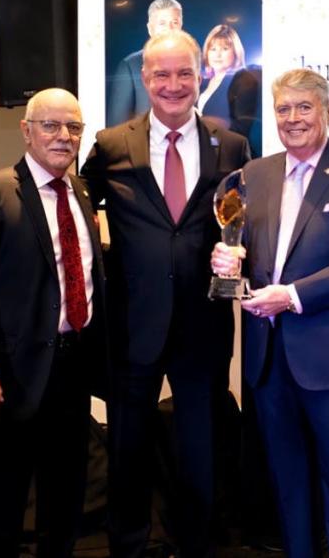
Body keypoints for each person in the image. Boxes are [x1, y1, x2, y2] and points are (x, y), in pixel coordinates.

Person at [211, 68, 329, 558]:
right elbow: (243, 247)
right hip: (269, 361)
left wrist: (291, 295)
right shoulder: (254, 175)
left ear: (326, 112)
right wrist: (228, 259)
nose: (292, 119)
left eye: (303, 107)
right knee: (288, 486)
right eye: (283, 109)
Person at [82, 29, 251, 558]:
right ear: (145, 78)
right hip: (133, 324)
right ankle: (128, 545)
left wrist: (240, 260)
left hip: (203, 324)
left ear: (201, 75)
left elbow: (245, 225)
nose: (173, 85)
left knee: (199, 447)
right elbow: (82, 215)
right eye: (161, 74)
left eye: (184, 73)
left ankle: (196, 543)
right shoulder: (111, 145)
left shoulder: (233, 144)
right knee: (128, 446)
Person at [0, 88, 106, 557]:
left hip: (73, 365)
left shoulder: (81, 192)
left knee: (66, 489)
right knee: (3, 495)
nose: (64, 136)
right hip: (13, 372)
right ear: (27, 131)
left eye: (73, 127)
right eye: (51, 125)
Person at [106, 0, 183, 127]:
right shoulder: (130, 66)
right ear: (150, 28)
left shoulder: (193, 64)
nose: (169, 29)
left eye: (174, 22)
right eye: (162, 23)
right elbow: (116, 127)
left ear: (181, 25)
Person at [197, 24, 262, 158]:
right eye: (213, 49)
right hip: (205, 155)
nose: (217, 54)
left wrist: (204, 123)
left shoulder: (244, 80)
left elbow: (241, 129)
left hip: (230, 157)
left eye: (225, 49)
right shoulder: (204, 82)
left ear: (235, 52)